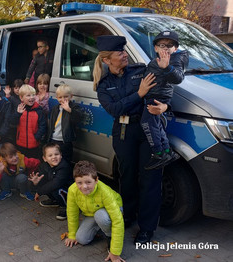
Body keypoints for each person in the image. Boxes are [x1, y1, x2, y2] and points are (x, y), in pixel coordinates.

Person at [94, 35, 168, 244]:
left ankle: (147, 228)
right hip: (124, 132)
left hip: (147, 130)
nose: (125, 55)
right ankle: (128, 216)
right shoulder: (103, 84)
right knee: (126, 177)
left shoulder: (139, 70)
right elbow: (114, 109)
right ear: (107, 60)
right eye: (120, 53)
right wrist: (139, 94)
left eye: (124, 51)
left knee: (150, 179)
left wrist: (165, 106)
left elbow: (162, 90)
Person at [141, 31, 189, 170]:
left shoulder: (174, 61)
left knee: (147, 123)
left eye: (170, 45)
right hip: (154, 95)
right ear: (155, 48)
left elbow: (178, 78)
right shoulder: (156, 59)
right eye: (162, 45)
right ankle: (167, 152)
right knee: (157, 125)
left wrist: (167, 67)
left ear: (175, 48)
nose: (165, 48)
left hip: (158, 98)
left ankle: (158, 153)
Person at [65, 161, 125, 262]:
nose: (84, 187)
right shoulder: (72, 190)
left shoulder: (104, 192)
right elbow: (72, 213)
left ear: (96, 180)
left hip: (111, 211)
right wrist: (72, 235)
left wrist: (115, 252)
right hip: (92, 213)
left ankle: (109, 235)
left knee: (101, 216)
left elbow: (117, 221)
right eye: (79, 182)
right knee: (81, 239)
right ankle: (100, 225)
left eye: (88, 182)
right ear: (75, 181)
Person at [28, 143, 72, 220]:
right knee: (44, 183)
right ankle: (55, 200)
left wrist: (39, 192)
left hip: (69, 192)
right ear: (44, 158)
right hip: (58, 188)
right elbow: (40, 178)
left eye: (56, 154)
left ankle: (66, 206)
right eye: (50, 155)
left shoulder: (64, 166)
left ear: (61, 155)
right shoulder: (44, 166)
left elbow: (56, 183)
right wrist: (36, 183)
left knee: (55, 188)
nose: (54, 157)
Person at [47, 84, 83, 162]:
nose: (63, 99)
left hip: (65, 141)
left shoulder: (74, 107)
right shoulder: (55, 108)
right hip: (54, 139)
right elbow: (51, 124)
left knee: (66, 161)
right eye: (60, 97)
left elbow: (78, 118)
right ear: (57, 97)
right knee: (54, 160)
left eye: (66, 96)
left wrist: (69, 110)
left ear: (71, 96)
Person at [11, 84, 47, 159]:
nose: (31, 97)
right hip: (20, 144)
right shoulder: (19, 109)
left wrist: (37, 137)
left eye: (33, 95)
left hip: (34, 145)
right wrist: (18, 114)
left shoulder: (39, 110)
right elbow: (12, 123)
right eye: (28, 95)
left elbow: (43, 125)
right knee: (22, 164)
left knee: (34, 164)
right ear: (21, 97)